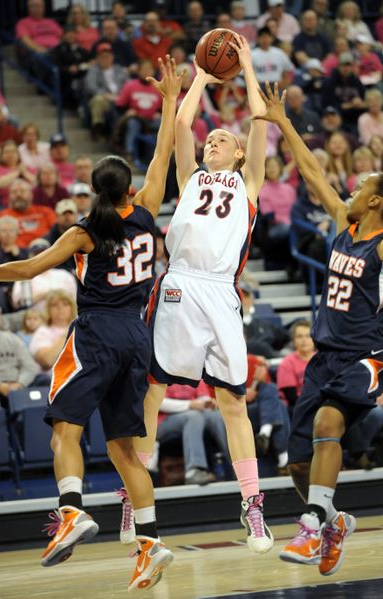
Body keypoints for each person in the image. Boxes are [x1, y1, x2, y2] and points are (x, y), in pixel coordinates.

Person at [0, 56, 183, 591]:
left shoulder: (84, 230)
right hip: (137, 337)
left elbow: (29, 268)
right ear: (126, 188)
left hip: (97, 333)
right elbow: (163, 155)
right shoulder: (147, 208)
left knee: (64, 428)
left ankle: (72, 510)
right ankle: (151, 543)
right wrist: (171, 99)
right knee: (125, 448)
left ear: (92, 192)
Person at [131, 35, 274, 555]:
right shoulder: (189, 176)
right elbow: (181, 126)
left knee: (232, 400)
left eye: (223, 139)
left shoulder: (251, 182)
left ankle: (253, 505)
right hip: (179, 284)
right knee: (152, 390)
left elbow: (260, 121)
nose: (213, 140)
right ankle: (135, 494)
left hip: (220, 292)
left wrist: (250, 67)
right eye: (210, 138)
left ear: (238, 154)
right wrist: (201, 80)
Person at [255, 81, 383, 577]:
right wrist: (283, 123)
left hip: (367, 354)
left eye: (362, 188)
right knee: (298, 464)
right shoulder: (342, 221)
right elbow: (313, 172)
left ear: (378, 203)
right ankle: (333, 521)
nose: (352, 190)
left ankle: (313, 523)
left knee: (327, 426)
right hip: (325, 356)